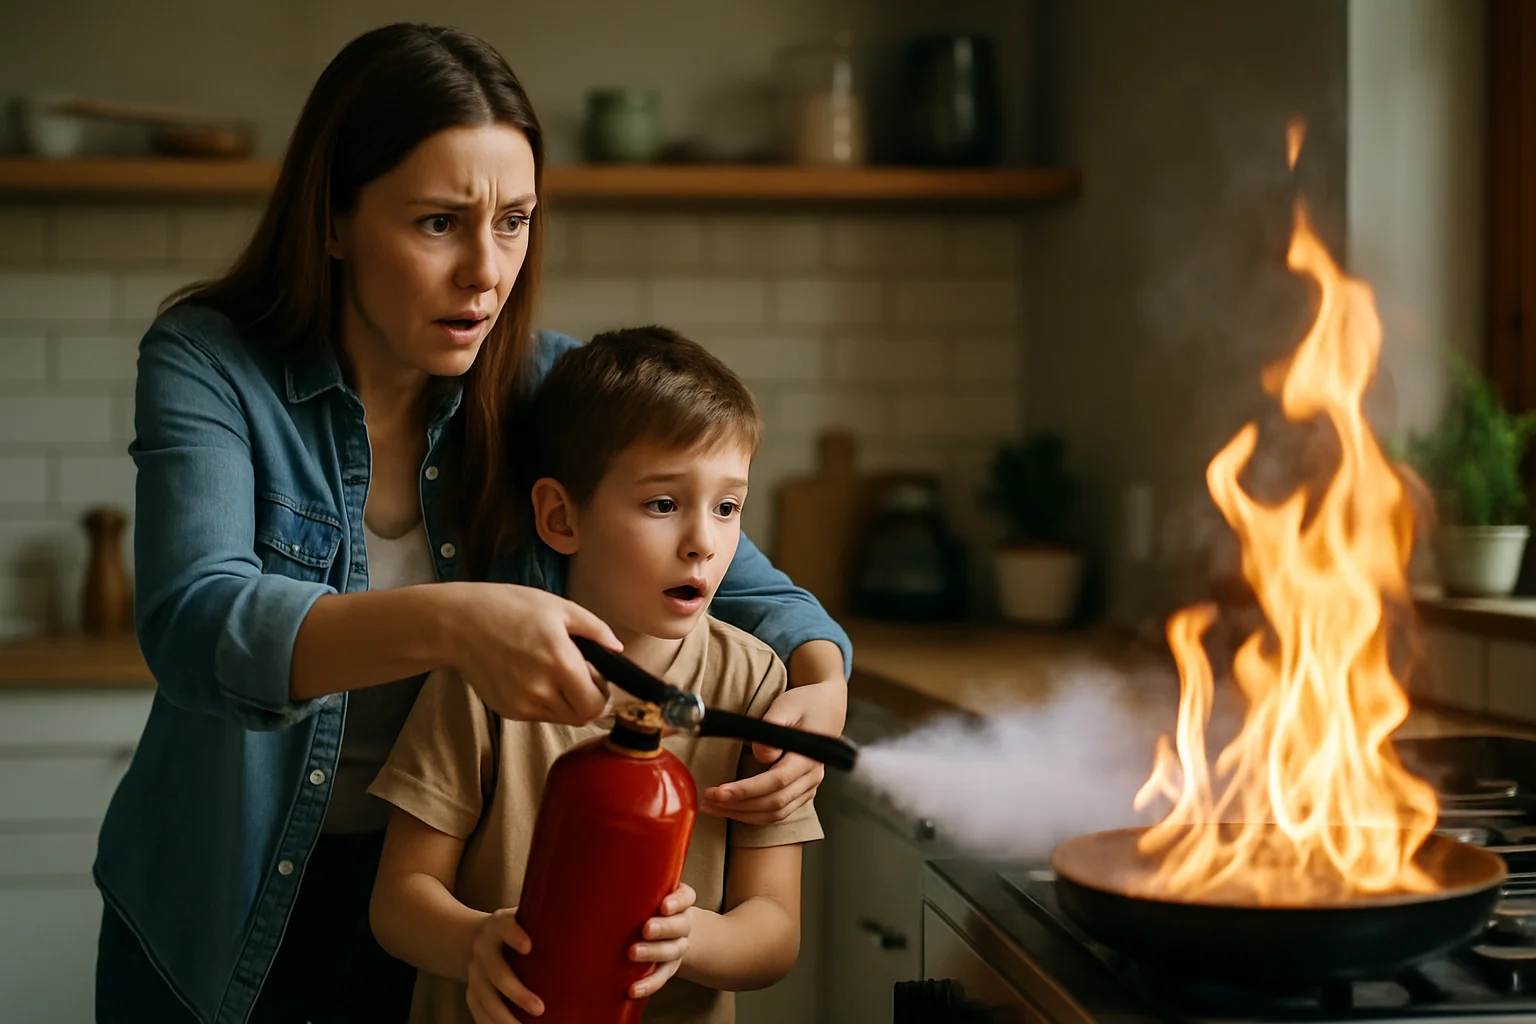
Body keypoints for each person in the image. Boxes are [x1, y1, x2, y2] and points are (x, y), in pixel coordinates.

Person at [93, 23, 850, 1024]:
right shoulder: (209, 361)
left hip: (442, 918)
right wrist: (455, 621)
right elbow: (197, 624)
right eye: (440, 223)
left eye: (516, 221)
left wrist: (821, 686)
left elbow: (758, 592)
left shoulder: (544, 385)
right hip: (221, 905)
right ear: (333, 219)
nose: (486, 272)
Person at [370, 326, 820, 1024]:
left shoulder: (755, 683)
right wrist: (472, 943)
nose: (704, 540)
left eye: (728, 507)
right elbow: (400, 899)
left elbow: (775, 933)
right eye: (663, 504)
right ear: (560, 516)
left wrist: (694, 939)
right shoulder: (484, 674)